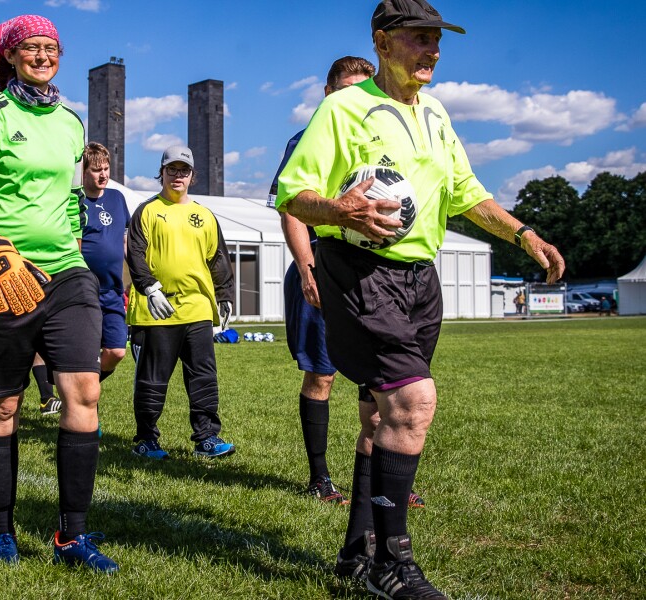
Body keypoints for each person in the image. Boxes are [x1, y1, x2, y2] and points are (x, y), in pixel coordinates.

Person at [276, 1, 566, 597]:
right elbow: (291, 193)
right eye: (418, 38)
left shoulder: (435, 113)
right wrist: (340, 210)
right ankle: (393, 564)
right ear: (382, 42)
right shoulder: (342, 109)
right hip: (360, 271)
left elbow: (466, 193)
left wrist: (523, 233)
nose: (432, 50)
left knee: (381, 415)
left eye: (436, 39)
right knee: (412, 404)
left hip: (418, 279)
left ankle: (358, 553)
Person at [0, 14, 117, 572]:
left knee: (85, 395)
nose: (43, 55)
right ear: (9, 56)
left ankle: (72, 535)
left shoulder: (72, 122)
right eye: (31, 48)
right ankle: (2, 530)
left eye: (51, 47)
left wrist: (71, 238)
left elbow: (68, 194)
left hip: (65, 273)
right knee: (3, 404)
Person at [268, 56, 376, 505]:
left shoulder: (381, 137)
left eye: (364, 90)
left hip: (372, 271)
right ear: (329, 93)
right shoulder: (307, 138)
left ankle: (381, 480)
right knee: (322, 375)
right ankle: (320, 479)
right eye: (348, 89)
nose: (358, 98)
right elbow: (290, 209)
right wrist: (310, 268)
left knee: (382, 379)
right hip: (322, 265)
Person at [126, 145, 236, 460]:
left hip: (197, 308)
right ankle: (146, 440)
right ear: (161, 172)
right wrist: (149, 288)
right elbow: (134, 253)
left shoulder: (204, 214)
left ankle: (207, 438)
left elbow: (218, 259)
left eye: (183, 170)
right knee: (152, 379)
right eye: (172, 169)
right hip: (157, 309)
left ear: (192, 176)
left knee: (203, 375)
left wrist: (224, 295)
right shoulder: (147, 211)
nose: (178, 175)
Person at [79, 142, 130, 383]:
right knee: (85, 354)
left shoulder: (117, 198)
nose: (104, 175)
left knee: (117, 350)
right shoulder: (75, 201)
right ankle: (85, 409)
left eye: (107, 169)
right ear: (84, 172)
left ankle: (83, 388)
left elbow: (125, 240)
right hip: (84, 292)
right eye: (97, 170)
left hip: (113, 292)